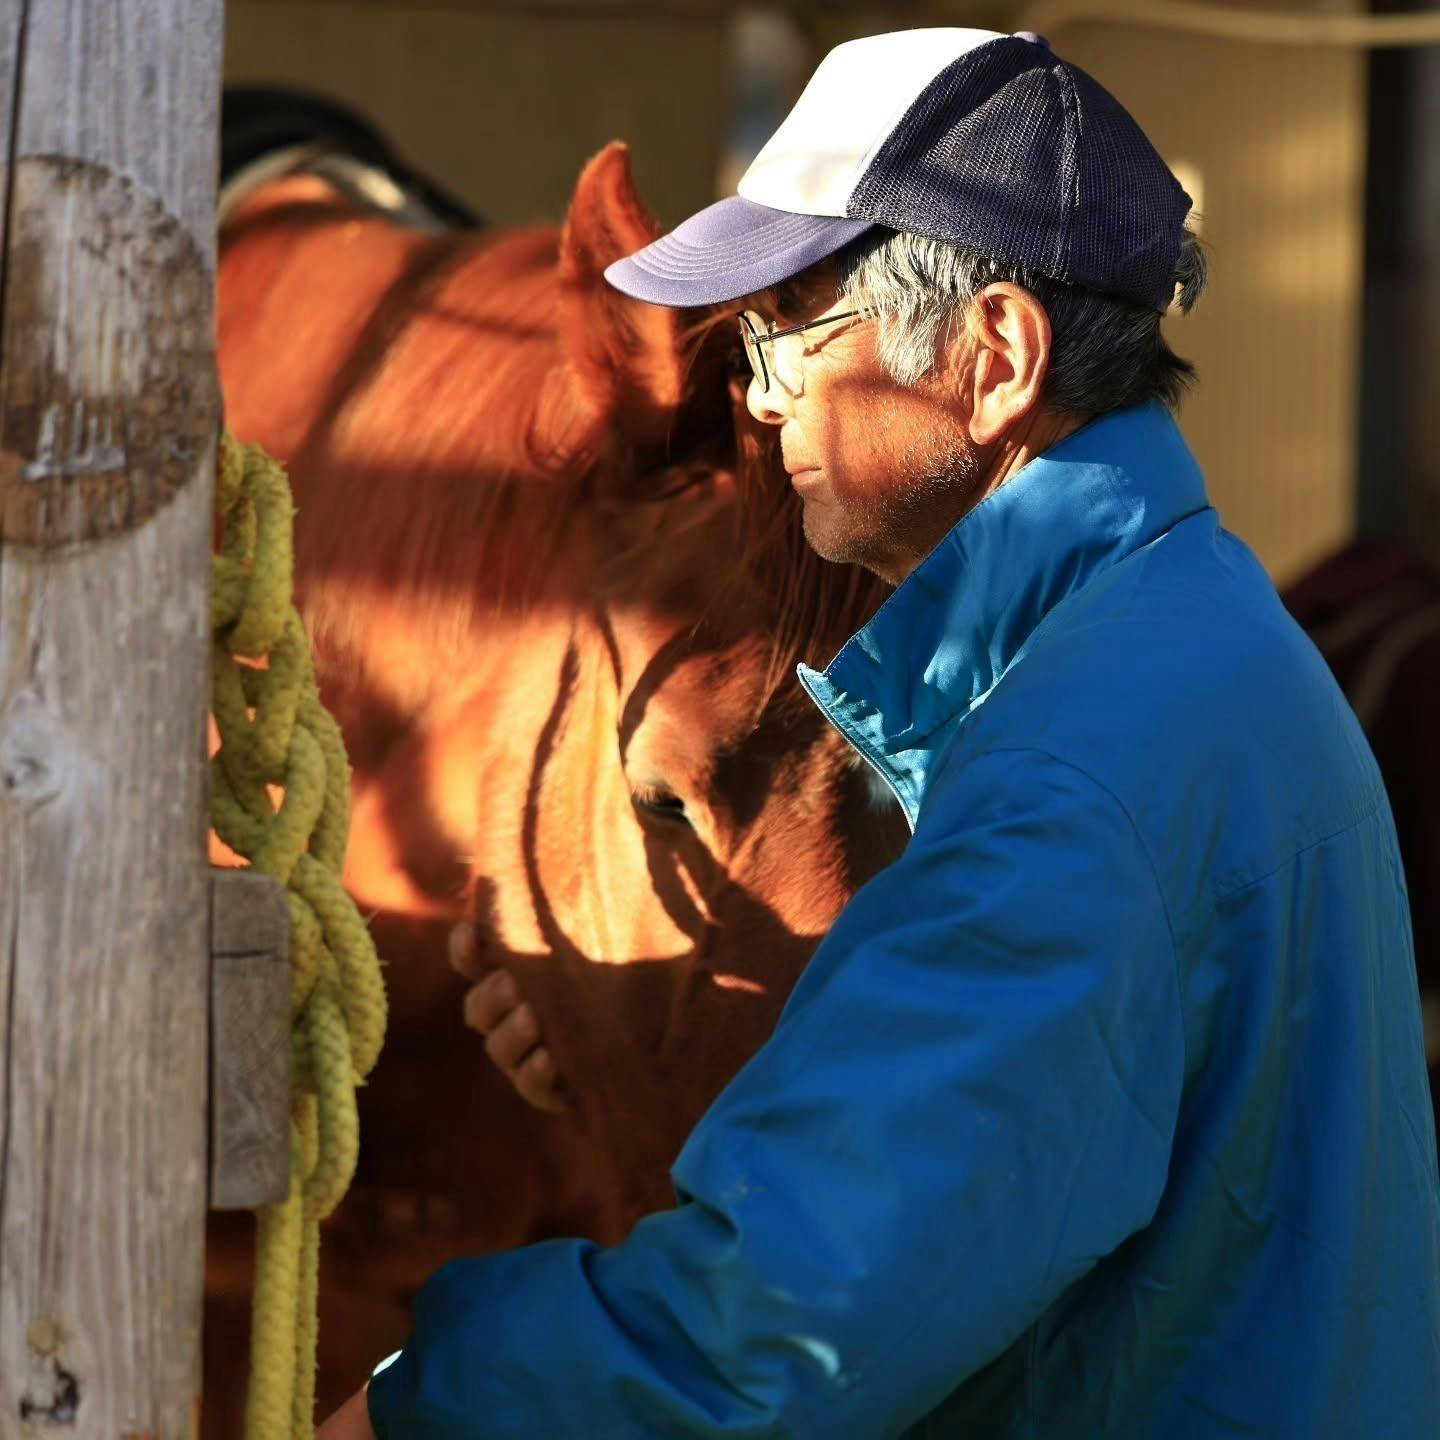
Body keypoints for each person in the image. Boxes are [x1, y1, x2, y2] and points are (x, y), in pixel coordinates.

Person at [320, 26, 1440, 1438]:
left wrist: (421, 1409)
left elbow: (768, 1351)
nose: (761, 392)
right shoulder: (1182, 642)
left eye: (790, 327)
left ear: (993, 356)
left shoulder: (1074, 772)